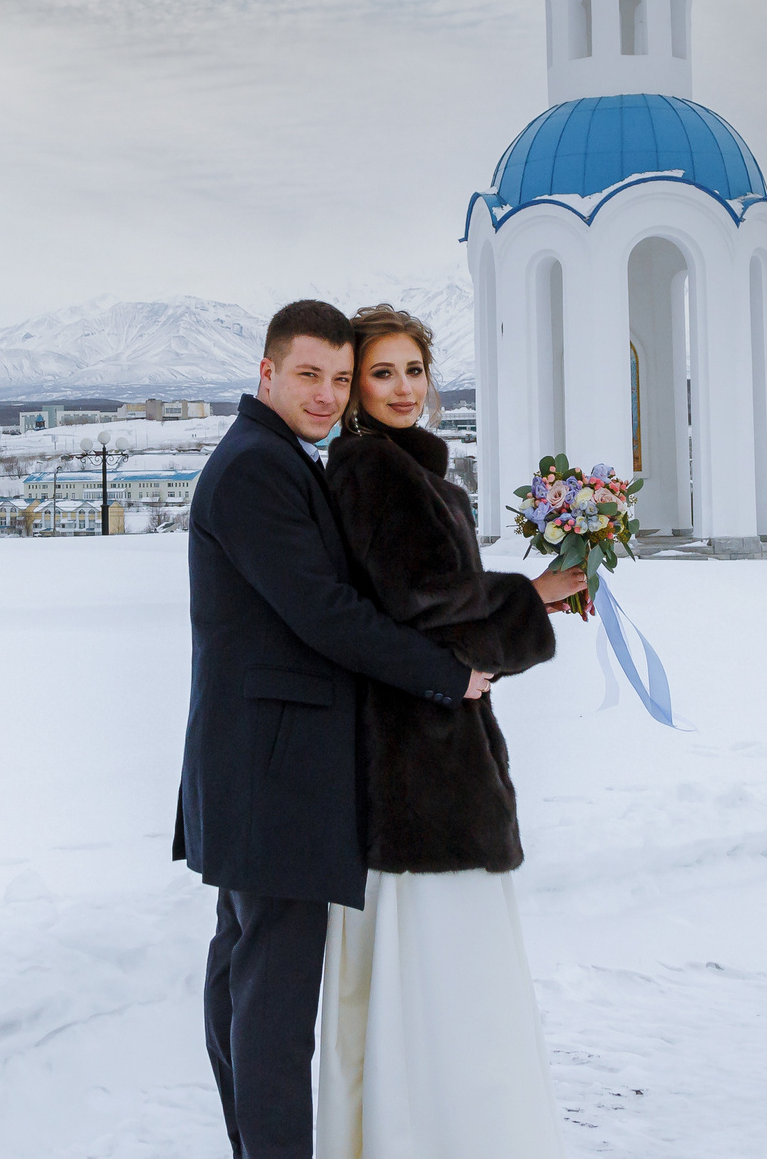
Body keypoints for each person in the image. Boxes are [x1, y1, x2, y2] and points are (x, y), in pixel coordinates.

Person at [174, 299, 493, 1159]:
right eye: (309, 374)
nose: (327, 394)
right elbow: (323, 611)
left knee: (243, 972)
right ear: (267, 371)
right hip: (272, 770)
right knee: (272, 1002)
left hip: (256, 763)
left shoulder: (276, 456)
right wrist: (444, 672)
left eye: (339, 379)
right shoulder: (256, 469)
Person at [314, 302, 587, 1159]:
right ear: (355, 388)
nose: (403, 387)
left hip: (433, 752)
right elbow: (423, 600)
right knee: (442, 979)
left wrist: (517, 610)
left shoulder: (414, 469)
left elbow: (438, 607)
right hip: (417, 766)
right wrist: (530, 595)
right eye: (382, 372)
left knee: (446, 980)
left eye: (414, 370)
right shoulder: (371, 466)